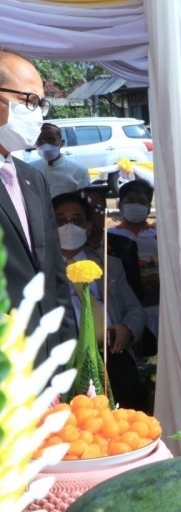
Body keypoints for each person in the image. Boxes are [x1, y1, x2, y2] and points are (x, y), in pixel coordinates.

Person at [0, 50, 75, 365]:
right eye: (28, 100)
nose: (37, 114)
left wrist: (69, 353)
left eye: (41, 104)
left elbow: (54, 274)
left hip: (45, 359)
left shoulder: (32, 178)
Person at [53, 192, 148, 410]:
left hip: (111, 355)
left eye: (77, 220)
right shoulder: (39, 268)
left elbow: (135, 309)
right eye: (61, 221)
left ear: (88, 227)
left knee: (126, 414)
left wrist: (127, 328)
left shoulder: (110, 264)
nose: (69, 227)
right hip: (63, 361)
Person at [108, 180, 158, 338]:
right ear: (120, 205)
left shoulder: (159, 233)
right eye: (130, 201)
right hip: (127, 302)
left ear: (149, 208)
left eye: (142, 202)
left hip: (157, 301)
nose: (136, 205)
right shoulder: (110, 236)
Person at [82, 187, 143, 302]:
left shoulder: (125, 246)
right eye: (86, 209)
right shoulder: (66, 248)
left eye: (97, 209)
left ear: (106, 214)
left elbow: (135, 294)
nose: (92, 215)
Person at [30, 123, 90, 197]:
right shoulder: (29, 169)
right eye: (40, 140)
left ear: (61, 143)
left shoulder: (79, 172)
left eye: (50, 139)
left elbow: (84, 200)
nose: (45, 144)